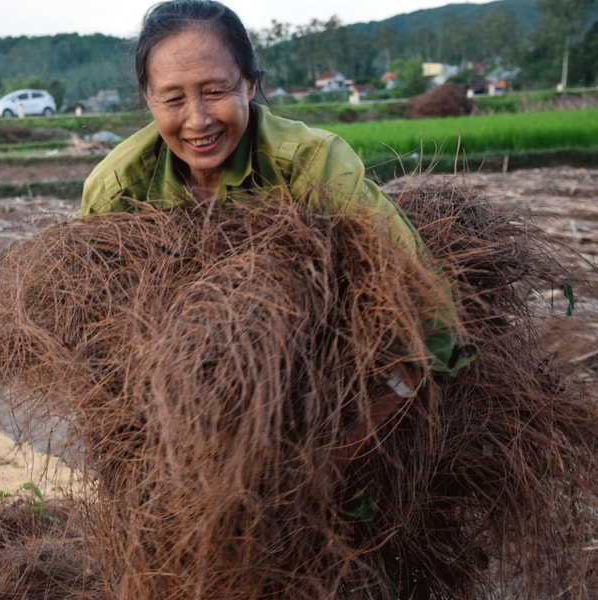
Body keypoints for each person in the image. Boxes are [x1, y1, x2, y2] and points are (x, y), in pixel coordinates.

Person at [81, 0, 476, 462]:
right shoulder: (117, 191)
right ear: (148, 99)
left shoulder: (310, 165)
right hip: (182, 422)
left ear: (250, 84)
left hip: (324, 402)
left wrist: (346, 442)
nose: (198, 119)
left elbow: (425, 304)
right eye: (173, 99)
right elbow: (97, 337)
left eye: (215, 90)